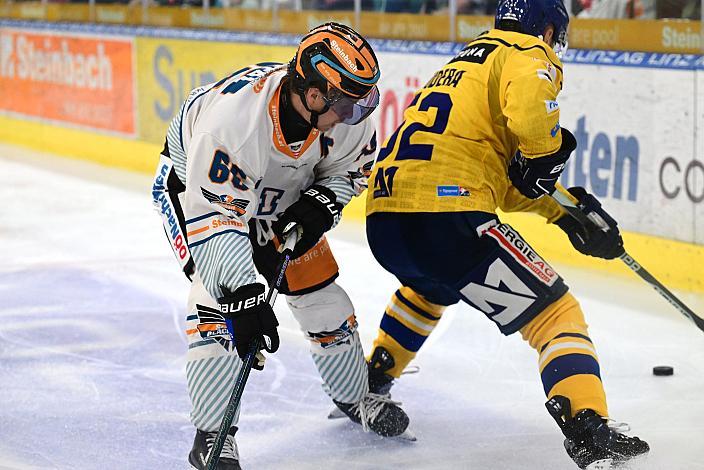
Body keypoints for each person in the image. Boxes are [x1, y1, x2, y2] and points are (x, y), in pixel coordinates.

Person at [363, 0, 651, 468]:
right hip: (449, 214)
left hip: (387, 219)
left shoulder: (462, 65)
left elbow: (506, 180)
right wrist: (545, 152)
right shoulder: (527, 51)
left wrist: (566, 213)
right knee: (556, 315)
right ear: (549, 25)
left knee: (431, 287)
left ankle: (371, 381)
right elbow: (534, 121)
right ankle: (587, 423)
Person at [151, 22, 409, 470]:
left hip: (279, 195)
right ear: (312, 95)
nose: (356, 116)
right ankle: (212, 435)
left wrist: (323, 201)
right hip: (198, 193)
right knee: (215, 309)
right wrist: (243, 298)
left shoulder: (342, 120)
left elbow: (350, 173)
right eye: (347, 104)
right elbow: (215, 222)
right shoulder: (231, 125)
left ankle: (352, 398)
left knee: (323, 299)